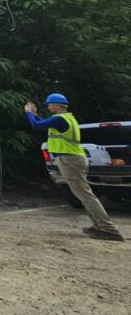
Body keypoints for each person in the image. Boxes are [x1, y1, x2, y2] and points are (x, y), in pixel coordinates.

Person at [25, 94, 124, 241]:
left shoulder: (59, 118)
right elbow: (43, 124)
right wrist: (35, 115)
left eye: (49, 104)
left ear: (57, 105)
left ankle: (108, 229)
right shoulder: (67, 118)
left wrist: (28, 113)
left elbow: (36, 125)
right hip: (72, 159)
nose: (48, 107)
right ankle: (99, 226)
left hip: (69, 159)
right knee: (83, 193)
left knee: (84, 194)